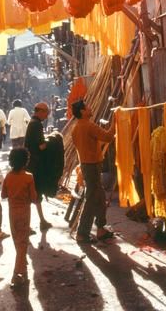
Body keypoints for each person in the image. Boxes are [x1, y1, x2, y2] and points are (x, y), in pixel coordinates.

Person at [71, 99, 116, 244]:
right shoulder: (88, 126)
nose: (90, 108)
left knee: (99, 197)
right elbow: (108, 137)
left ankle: (101, 229)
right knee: (91, 199)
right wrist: (115, 122)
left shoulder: (76, 127)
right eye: (88, 107)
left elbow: (91, 143)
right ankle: (82, 233)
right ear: (83, 111)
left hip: (87, 164)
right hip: (91, 166)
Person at [1, 148, 37, 289]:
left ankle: (22, 265)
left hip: (12, 213)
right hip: (24, 212)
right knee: (23, 242)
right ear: (25, 162)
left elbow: (3, 195)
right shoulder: (29, 177)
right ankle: (17, 273)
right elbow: (34, 198)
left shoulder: (8, 177)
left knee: (17, 240)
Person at [24, 102, 52, 231]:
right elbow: (40, 146)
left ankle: (42, 220)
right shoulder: (36, 125)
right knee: (32, 194)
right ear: (40, 111)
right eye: (46, 112)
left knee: (36, 194)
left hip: (32, 163)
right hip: (34, 164)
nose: (47, 115)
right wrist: (50, 142)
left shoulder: (34, 123)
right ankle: (26, 225)